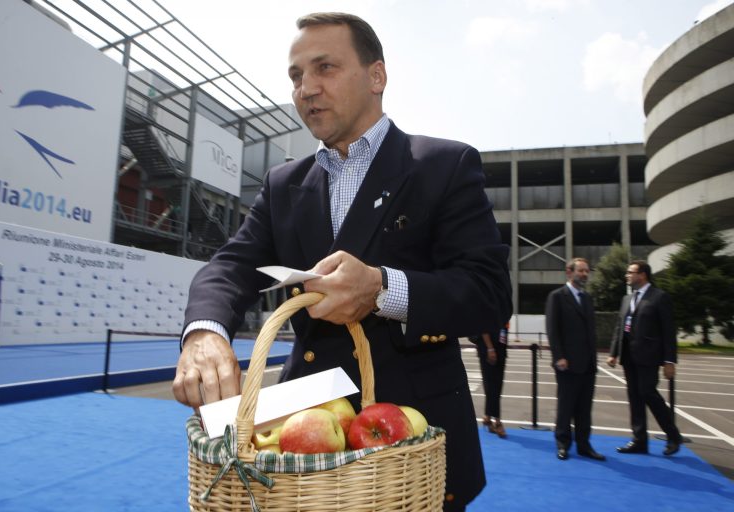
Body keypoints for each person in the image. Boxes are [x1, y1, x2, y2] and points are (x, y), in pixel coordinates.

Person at [173, 12, 512, 511]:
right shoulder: (283, 183)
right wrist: (204, 330)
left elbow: (488, 293)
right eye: (295, 76)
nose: (305, 88)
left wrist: (381, 288)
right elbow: (232, 264)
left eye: (325, 67)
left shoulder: (444, 165)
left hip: (406, 448)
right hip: (298, 444)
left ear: (376, 76)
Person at [607, 260, 682, 456]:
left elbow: (668, 331)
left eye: (630, 272)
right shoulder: (627, 299)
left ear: (643, 275)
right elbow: (620, 327)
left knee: (648, 393)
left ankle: (673, 435)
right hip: (629, 357)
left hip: (649, 357)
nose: (627, 275)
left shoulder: (659, 297)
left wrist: (669, 361)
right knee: (634, 397)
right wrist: (614, 353)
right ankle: (639, 439)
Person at [545, 258, 605, 461]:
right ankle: (563, 443)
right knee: (566, 406)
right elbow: (553, 330)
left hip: (588, 363)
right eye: (581, 271)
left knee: (584, 408)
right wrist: (559, 356)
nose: (585, 274)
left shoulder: (587, 298)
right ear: (569, 272)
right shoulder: (557, 297)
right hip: (567, 363)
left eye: (587, 271)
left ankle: (584, 444)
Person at [470, 326, 508, 438]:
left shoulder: (503, 309)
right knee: (492, 386)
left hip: (501, 346)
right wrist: (490, 348)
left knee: (496, 385)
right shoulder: (487, 307)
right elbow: (483, 325)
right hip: (487, 348)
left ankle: (487, 417)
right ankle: (497, 421)